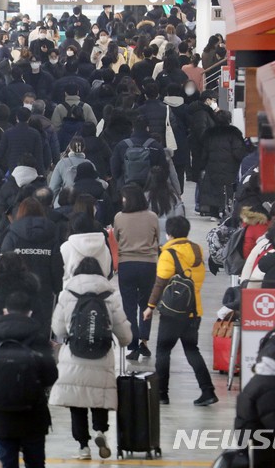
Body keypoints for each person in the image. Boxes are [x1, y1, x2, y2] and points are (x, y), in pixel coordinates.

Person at [50, 257, 132, 460]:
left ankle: (83, 447)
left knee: (77, 403)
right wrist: (124, 340)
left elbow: (58, 328)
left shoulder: (67, 293)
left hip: (74, 354)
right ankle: (100, 432)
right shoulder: (109, 294)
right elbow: (124, 334)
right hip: (101, 354)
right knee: (99, 398)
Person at [0, 292, 58, 468]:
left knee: (5, 462)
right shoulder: (39, 339)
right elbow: (51, 376)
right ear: (30, 312)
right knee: (35, 462)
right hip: (33, 413)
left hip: (0, 413)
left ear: (5, 311)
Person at [143, 216, 217, 406]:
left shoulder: (168, 254)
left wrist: (150, 307)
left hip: (172, 313)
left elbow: (160, 283)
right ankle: (208, 391)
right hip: (194, 310)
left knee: (163, 351)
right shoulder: (197, 250)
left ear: (169, 233)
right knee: (192, 350)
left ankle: (161, 393)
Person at [1, 197, 63, 334]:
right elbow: (57, 267)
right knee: (41, 337)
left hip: (16, 295)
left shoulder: (12, 235)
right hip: (44, 294)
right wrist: (58, 288)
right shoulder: (52, 234)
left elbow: (4, 265)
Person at [114, 184, 159, 361]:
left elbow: (116, 238)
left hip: (127, 265)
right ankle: (144, 342)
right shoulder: (152, 216)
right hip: (148, 265)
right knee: (147, 305)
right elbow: (157, 237)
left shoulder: (119, 217)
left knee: (129, 307)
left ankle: (132, 344)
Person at [198, 110, 247, 218]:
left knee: (214, 189)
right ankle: (225, 210)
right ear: (229, 119)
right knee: (228, 189)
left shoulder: (210, 133)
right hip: (229, 168)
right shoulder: (234, 133)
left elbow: (204, 153)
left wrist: (202, 166)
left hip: (212, 167)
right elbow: (238, 153)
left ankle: (214, 212)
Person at [110, 116, 168, 189]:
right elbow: (164, 169)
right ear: (147, 128)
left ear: (133, 128)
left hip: (127, 188)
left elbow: (115, 169)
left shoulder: (121, 145)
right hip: (150, 188)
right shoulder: (156, 146)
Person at [61, 213, 112, 285]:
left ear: (72, 227)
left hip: (73, 290)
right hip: (100, 289)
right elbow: (107, 270)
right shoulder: (103, 246)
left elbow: (62, 273)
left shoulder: (66, 247)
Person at [0, 107, 45, 174]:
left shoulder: (8, 133)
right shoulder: (35, 133)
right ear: (29, 118)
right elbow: (39, 157)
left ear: (16, 117)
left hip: (13, 168)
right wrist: (41, 174)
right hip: (30, 169)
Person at [145, 166, 184, 246]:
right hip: (170, 240)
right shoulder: (173, 197)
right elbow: (180, 217)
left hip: (150, 241)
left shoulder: (145, 198)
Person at [187, 90, 218, 184]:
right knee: (201, 182)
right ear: (207, 100)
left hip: (202, 150)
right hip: (201, 151)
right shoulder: (201, 113)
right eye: (214, 100)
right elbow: (201, 132)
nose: (215, 103)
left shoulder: (206, 111)